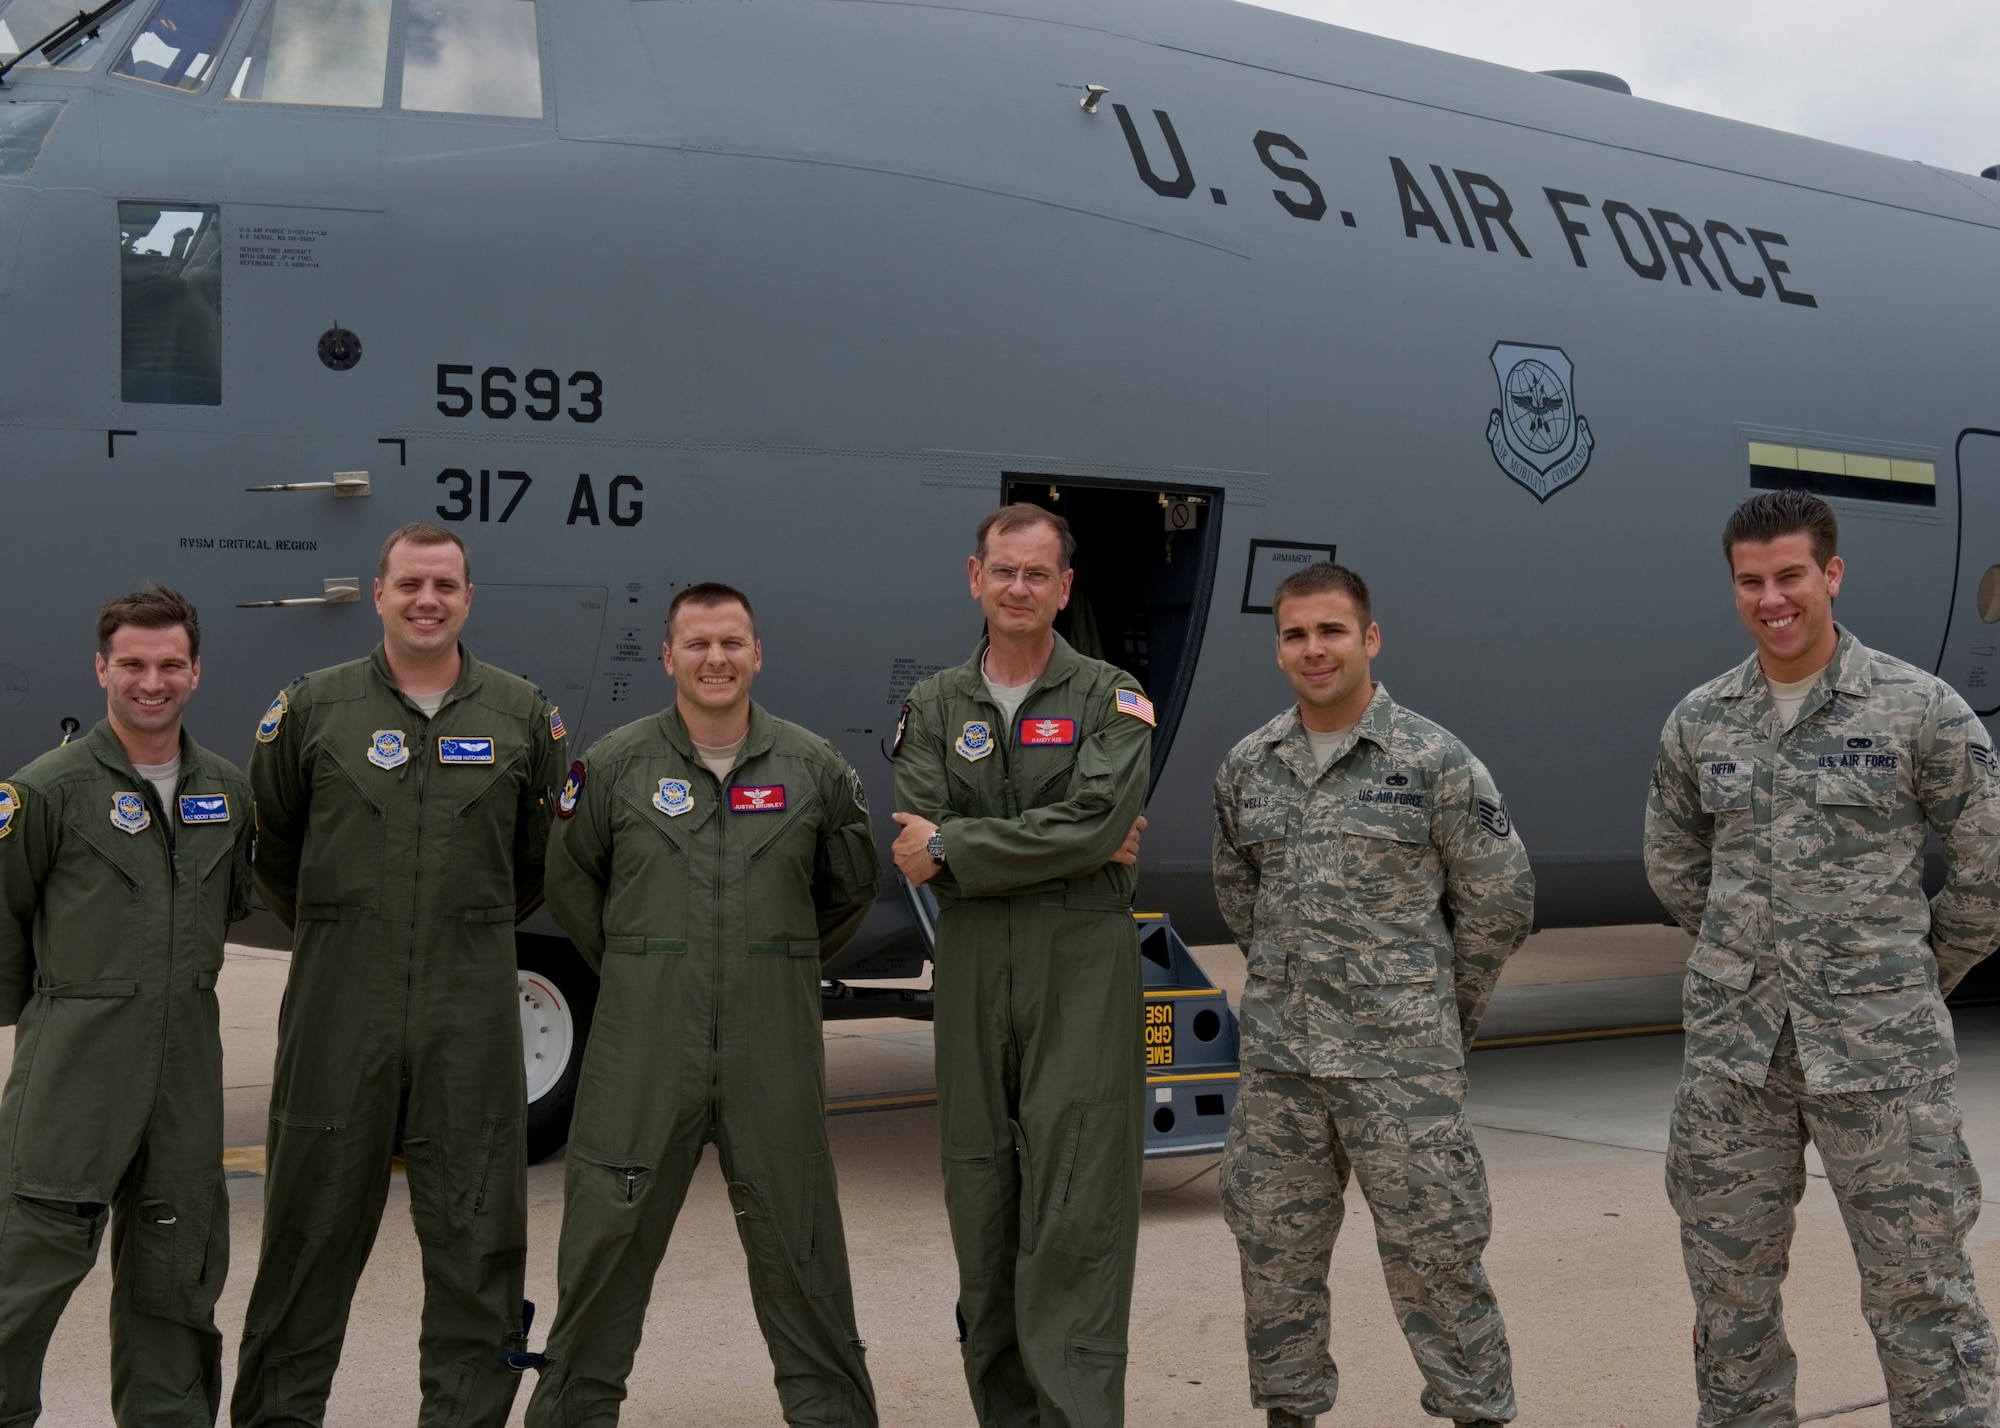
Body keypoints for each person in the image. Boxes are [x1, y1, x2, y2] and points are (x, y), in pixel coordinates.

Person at [1646, 488, 2000, 1426]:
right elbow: (1676, 862)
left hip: (1882, 1060)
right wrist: (1747, 960)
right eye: (1751, 581)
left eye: (1791, 575)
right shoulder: (1700, 720)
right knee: (1730, 1307)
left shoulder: (1919, 709)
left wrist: (1907, 970)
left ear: (1831, 575)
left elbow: (1989, 864)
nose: (1772, 598)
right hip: (1737, 1064)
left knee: (1922, 1297)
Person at [232, 523, 567, 1428]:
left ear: (468, 598)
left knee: (477, 1239)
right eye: (410, 583)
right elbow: (274, 847)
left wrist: (459, 925)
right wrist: (350, 930)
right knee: (307, 1237)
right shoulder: (314, 708)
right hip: (342, 1007)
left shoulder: (520, 714)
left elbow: (539, 861)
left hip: (471, 1010)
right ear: (377, 592)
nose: (428, 600)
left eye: (446, 585)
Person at [523, 582, 881, 1428]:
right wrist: (651, 967)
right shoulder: (614, 766)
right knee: (605, 1252)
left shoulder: (812, 767)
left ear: (756, 654)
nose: (714, 659)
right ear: (668, 657)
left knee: (804, 1255)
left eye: (730, 644)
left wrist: (771, 960)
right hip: (642, 1052)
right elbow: (574, 886)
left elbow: (849, 890)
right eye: (697, 644)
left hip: (773, 1054)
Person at [1212, 561, 1532, 1428]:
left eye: (1331, 631)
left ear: (1369, 638)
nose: (1313, 650)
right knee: (1274, 1258)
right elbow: (1242, 896)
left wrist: (1433, 1011)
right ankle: (1289, 1414)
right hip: (1284, 1067)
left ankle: (1477, 1415)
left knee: (1439, 1256)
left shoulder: (1433, 760)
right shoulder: (1250, 766)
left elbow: (1501, 900)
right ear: (1278, 646)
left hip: (1403, 1074)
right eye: (1295, 634)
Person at [890, 503, 1151, 1428]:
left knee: (1076, 1210)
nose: (1019, 588)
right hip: (969, 967)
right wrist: (1063, 843)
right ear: (975, 577)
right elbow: (913, 837)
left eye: (1038, 574)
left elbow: (1094, 821)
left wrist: (961, 846)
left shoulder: (1111, 698)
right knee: (982, 1201)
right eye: (1004, 571)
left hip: (1078, 964)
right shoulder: (932, 704)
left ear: (1065, 587)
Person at [0, 586, 253, 1426]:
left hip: (183, 1081)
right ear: (101, 668)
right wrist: (52, 1023)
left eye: (170, 664)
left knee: (176, 1286)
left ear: (196, 670)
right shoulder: (46, 792)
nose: (153, 682)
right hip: (75, 1073)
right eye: (134, 665)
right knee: (22, 1279)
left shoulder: (227, 792)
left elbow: (231, 910)